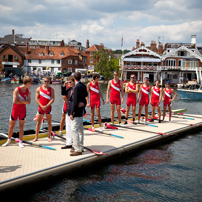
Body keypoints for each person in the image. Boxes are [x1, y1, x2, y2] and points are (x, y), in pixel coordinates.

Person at [2, 76, 33, 148]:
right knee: (11, 126)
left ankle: (20, 141)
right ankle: (8, 140)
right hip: (15, 110)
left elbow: (29, 102)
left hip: (23, 111)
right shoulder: (17, 90)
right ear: (27, 83)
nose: (31, 84)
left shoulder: (28, 91)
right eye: (31, 83)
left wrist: (21, 100)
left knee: (21, 127)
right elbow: (15, 101)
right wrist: (24, 101)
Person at [70, 72, 88, 156]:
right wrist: (84, 103)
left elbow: (75, 101)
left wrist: (72, 113)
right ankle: (81, 147)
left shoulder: (76, 87)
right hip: (81, 111)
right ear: (80, 77)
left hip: (76, 112)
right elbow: (86, 96)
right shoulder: (83, 86)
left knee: (74, 130)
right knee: (80, 131)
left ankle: (77, 149)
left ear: (74, 77)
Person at [33, 76, 55, 142]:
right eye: (45, 81)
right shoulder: (38, 89)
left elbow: (53, 99)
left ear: (49, 82)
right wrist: (42, 106)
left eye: (47, 81)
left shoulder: (51, 89)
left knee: (49, 122)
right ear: (43, 81)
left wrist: (46, 106)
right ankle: (36, 137)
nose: (46, 82)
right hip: (41, 108)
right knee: (38, 122)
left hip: (48, 108)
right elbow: (36, 99)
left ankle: (49, 137)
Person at [60, 76, 75, 149]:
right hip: (68, 109)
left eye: (70, 82)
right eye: (68, 82)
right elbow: (63, 94)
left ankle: (75, 143)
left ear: (73, 82)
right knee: (68, 126)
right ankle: (69, 143)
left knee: (74, 127)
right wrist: (64, 86)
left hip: (75, 110)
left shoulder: (76, 88)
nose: (68, 84)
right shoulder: (68, 89)